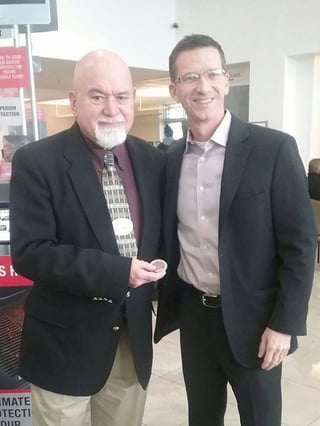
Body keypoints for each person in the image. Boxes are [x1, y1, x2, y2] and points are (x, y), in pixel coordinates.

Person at [154, 34, 317, 426]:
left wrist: (284, 324)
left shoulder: (273, 149)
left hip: (257, 321)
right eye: (190, 77)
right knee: (203, 418)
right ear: (175, 89)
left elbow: (299, 243)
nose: (203, 86)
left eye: (212, 73)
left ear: (227, 80)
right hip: (195, 317)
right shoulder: (170, 158)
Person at [9, 49, 166, 426]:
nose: (112, 108)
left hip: (131, 342)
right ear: (74, 101)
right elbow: (30, 253)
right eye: (97, 96)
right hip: (64, 345)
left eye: (122, 96)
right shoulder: (37, 160)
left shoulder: (154, 160)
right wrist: (117, 272)